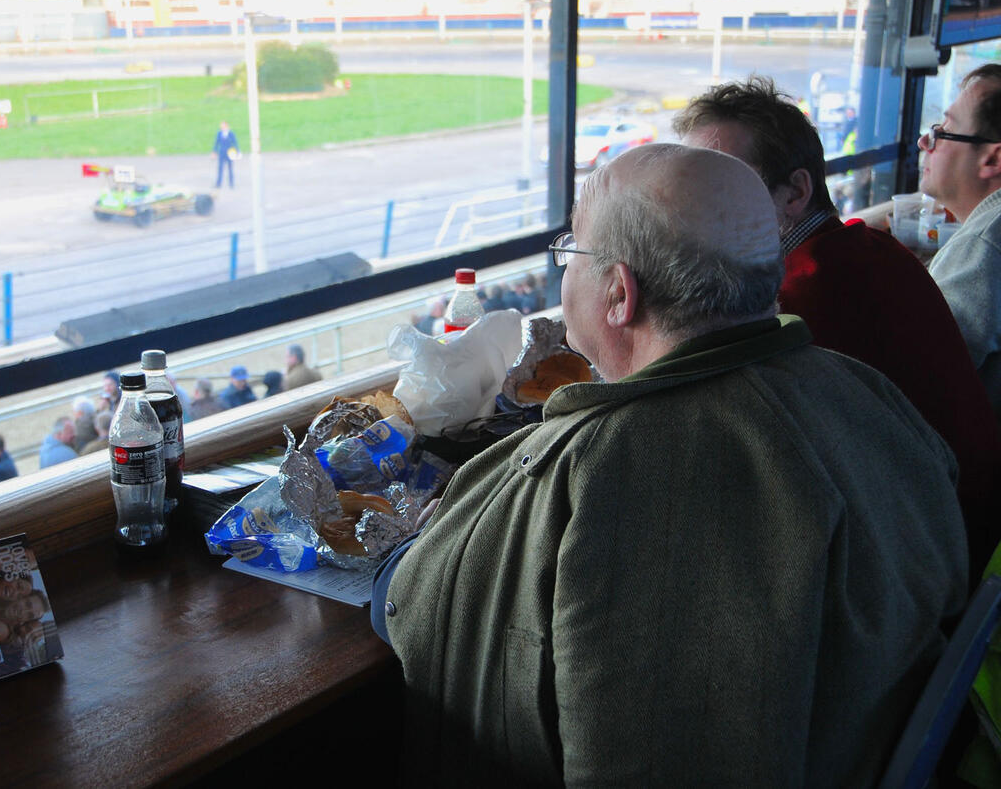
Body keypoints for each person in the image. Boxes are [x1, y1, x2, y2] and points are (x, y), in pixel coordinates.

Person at [371, 144, 968, 785]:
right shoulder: (866, 393)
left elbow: (408, 605)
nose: (564, 266)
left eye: (572, 249)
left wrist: (430, 542)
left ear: (619, 294)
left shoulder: (621, 471)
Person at [676, 75, 1001, 578]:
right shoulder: (873, 252)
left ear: (795, 192)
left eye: (723, 186)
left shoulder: (794, 303)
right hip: (962, 544)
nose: (689, 212)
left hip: (927, 578)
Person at [921, 64, 1001, 426]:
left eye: (945, 130)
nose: (926, 141)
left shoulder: (984, 246)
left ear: (993, 159)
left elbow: (924, 374)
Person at [213, 120, 239, 189]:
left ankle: (231, 183)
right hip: (222, 153)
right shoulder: (219, 133)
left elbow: (235, 143)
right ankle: (218, 183)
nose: (222, 127)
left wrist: (237, 151)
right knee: (220, 169)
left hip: (230, 153)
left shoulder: (231, 133)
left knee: (230, 169)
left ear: (226, 126)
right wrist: (214, 151)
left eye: (223, 126)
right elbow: (216, 143)